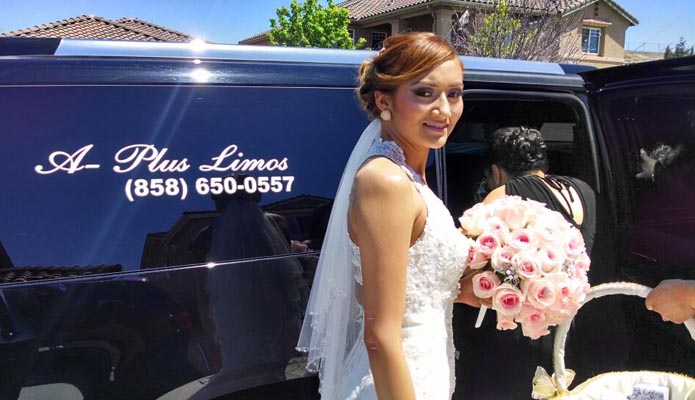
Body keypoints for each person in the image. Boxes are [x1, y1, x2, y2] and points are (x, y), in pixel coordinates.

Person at [296, 32, 470, 400]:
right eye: (424, 93)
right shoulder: (386, 180)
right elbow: (380, 336)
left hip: (426, 369)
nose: (443, 109)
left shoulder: (412, 176)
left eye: (453, 94)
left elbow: (418, 286)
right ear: (383, 99)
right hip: (394, 382)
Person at [455, 126, 599, 399]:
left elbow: (467, 264)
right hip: (581, 325)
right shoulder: (585, 190)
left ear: (495, 171)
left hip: (525, 334)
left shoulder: (503, 196)